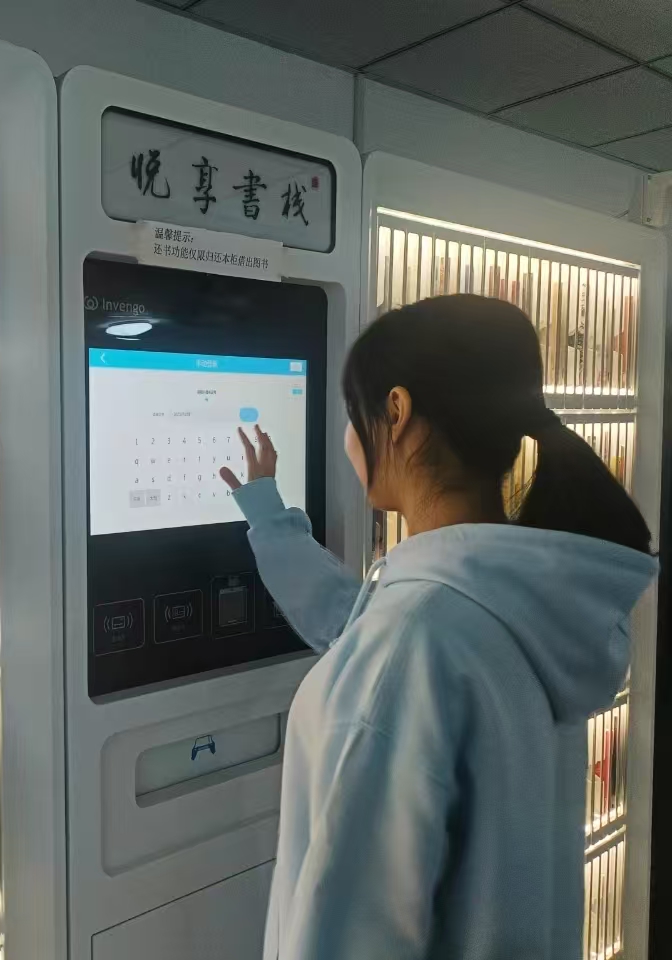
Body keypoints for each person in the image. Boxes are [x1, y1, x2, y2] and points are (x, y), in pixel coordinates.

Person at [218, 294, 657, 960]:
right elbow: (358, 623)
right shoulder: (521, 605)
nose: (347, 439)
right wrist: (269, 517)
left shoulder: (411, 645)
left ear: (397, 413)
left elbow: (346, 933)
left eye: (353, 413)